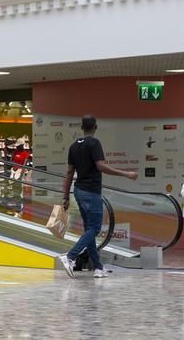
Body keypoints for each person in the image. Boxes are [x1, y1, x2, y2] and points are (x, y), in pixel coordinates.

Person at [58, 114, 137, 279]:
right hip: (91, 192)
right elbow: (100, 166)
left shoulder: (73, 146)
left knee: (89, 230)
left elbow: (69, 173)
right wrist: (126, 173)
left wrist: (65, 196)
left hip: (78, 191)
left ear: (81, 128)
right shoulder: (94, 143)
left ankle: (98, 268)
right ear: (95, 127)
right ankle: (70, 257)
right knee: (94, 229)